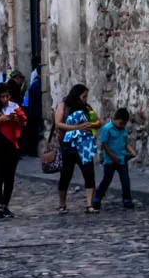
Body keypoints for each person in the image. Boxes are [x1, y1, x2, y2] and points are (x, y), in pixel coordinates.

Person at [54, 84, 99, 212]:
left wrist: (90, 124)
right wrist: (77, 127)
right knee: (66, 174)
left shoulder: (86, 107)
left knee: (89, 173)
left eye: (86, 96)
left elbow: (98, 121)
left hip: (85, 146)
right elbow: (58, 124)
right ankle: (62, 204)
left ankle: (89, 204)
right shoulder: (64, 106)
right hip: (69, 145)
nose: (85, 99)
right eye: (83, 96)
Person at [0, 81, 27, 219]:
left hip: (11, 145)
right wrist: (1, 119)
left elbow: (23, 123)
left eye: (7, 96)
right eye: (2, 97)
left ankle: (5, 204)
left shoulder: (14, 107)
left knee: (9, 177)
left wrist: (16, 119)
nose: (5, 100)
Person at [92, 107, 134, 211]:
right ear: (115, 119)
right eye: (121, 123)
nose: (122, 126)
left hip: (122, 159)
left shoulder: (122, 130)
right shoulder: (107, 129)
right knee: (107, 180)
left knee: (125, 180)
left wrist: (132, 151)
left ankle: (127, 200)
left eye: (124, 124)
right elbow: (104, 145)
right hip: (110, 160)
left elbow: (126, 143)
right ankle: (97, 198)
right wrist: (113, 157)